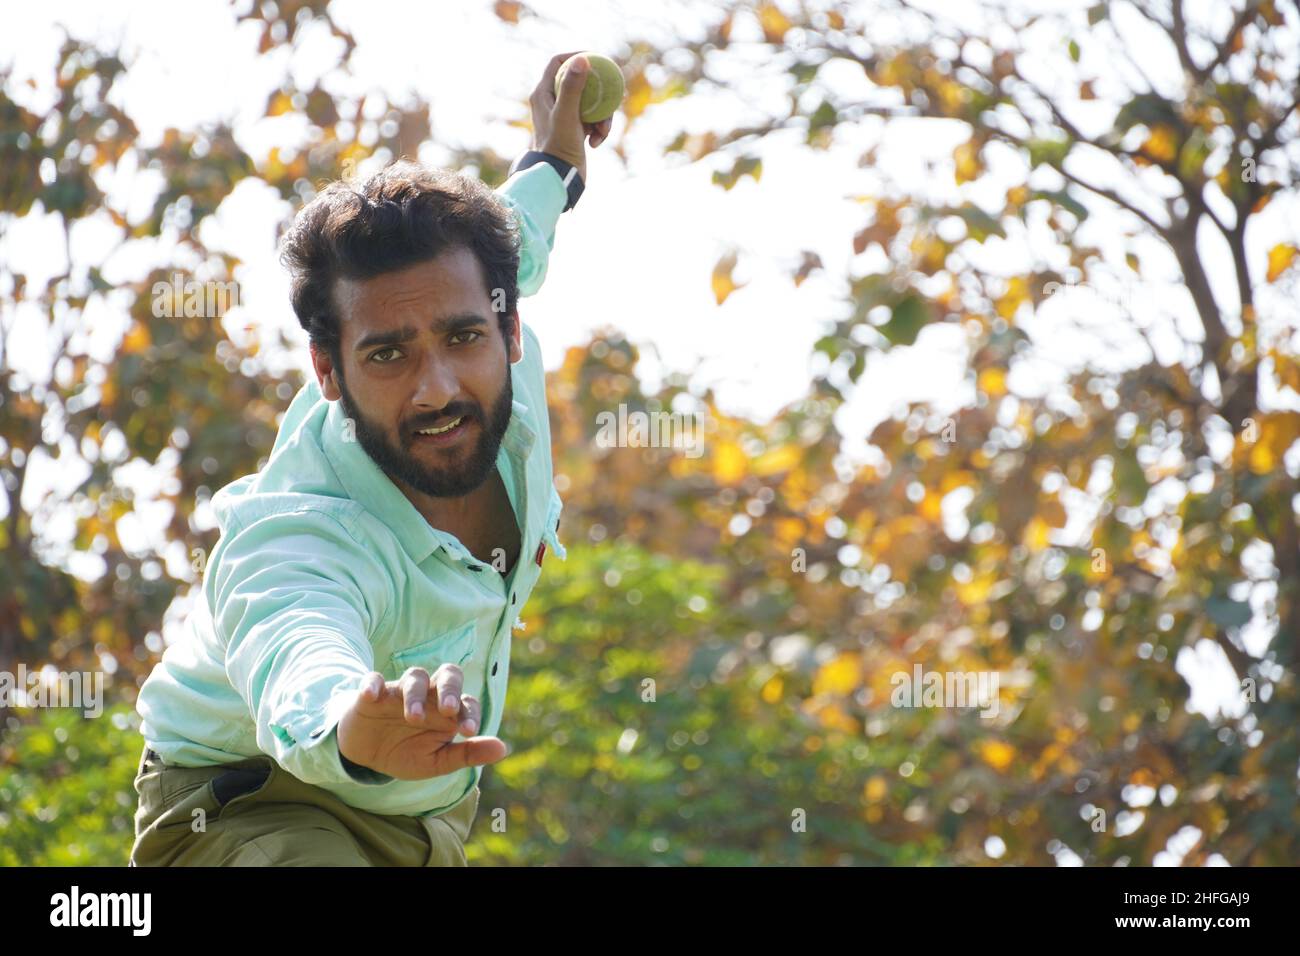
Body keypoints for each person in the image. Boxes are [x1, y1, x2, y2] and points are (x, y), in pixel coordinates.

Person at [129, 52, 611, 866]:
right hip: (250, 805)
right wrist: (350, 724)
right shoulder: (299, 531)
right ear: (328, 372)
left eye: (463, 338)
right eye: (387, 356)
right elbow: (296, 637)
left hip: (429, 815)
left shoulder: (506, 358)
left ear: (508, 330)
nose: (437, 389)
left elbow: (520, 235)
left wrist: (555, 159)